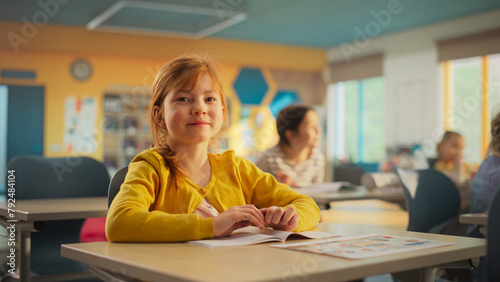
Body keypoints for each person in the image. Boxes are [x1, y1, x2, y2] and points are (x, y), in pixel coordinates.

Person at [105, 55, 320, 242]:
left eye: (209, 99)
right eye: (183, 99)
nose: (199, 108)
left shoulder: (236, 168)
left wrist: (290, 219)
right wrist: (211, 226)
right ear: (159, 115)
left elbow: (307, 205)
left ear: (223, 112)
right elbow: (119, 222)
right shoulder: (150, 167)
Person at [255, 105, 325, 188]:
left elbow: (317, 193)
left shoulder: (317, 159)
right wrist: (277, 187)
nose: (318, 130)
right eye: (311, 126)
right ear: (291, 135)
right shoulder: (268, 159)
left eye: (317, 125)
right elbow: (255, 192)